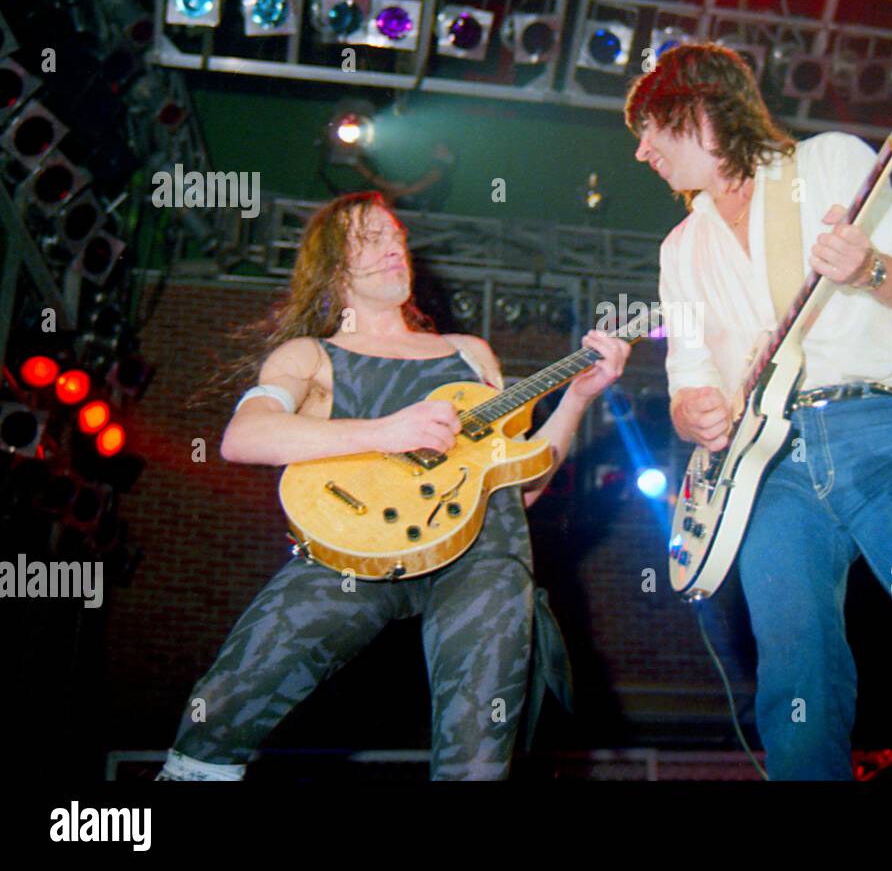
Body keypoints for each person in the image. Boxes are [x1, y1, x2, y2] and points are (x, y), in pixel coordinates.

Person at [626, 43, 892, 780]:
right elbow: (687, 377)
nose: (642, 151)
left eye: (651, 128)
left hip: (878, 429)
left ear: (702, 110)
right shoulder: (681, 246)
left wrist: (868, 268)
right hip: (765, 471)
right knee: (797, 683)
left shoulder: (834, 163)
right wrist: (696, 413)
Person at [156, 190, 629, 781]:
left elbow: (520, 485)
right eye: (370, 238)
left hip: (481, 556)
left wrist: (579, 399)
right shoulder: (309, 354)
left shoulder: (468, 353)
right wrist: (387, 431)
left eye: (396, 237)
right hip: (349, 549)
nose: (393, 248)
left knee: (480, 752)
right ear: (333, 265)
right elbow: (243, 438)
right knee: (224, 705)